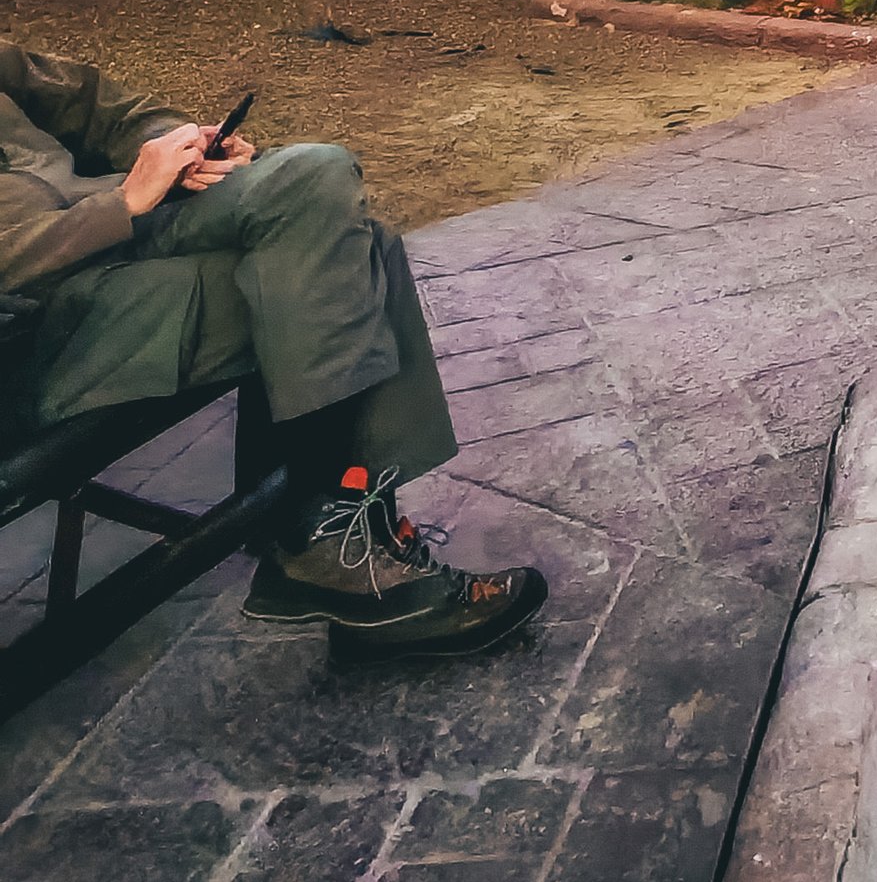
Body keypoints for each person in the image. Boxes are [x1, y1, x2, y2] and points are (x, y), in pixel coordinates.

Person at [0, 42, 545, 662]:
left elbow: (99, 106)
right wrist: (120, 204)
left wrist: (179, 148)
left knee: (318, 185)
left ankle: (333, 530)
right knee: (351, 251)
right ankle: (339, 540)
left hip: (121, 239)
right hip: (39, 324)